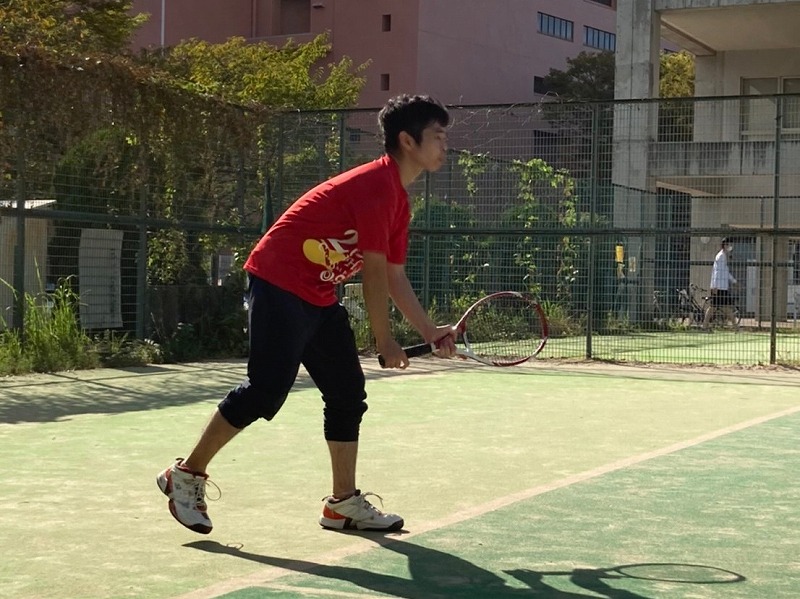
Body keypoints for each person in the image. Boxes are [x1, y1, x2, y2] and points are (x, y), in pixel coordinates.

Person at [156, 94, 457, 534]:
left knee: (347, 392)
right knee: (266, 389)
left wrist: (430, 331)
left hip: (316, 292)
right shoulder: (377, 185)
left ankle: (342, 504)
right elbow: (373, 273)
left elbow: (394, 274)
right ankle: (185, 474)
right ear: (408, 141)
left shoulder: (400, 201)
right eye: (438, 136)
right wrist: (384, 339)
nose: (446, 145)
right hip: (278, 279)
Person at [702, 237, 737, 330]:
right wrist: (715, 286)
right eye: (729, 244)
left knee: (721, 307)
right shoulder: (721, 256)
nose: (731, 247)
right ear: (725, 245)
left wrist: (734, 281)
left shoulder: (723, 256)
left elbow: (725, 272)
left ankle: (735, 326)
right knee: (715, 307)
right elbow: (717, 273)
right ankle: (735, 326)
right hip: (719, 288)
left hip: (722, 287)